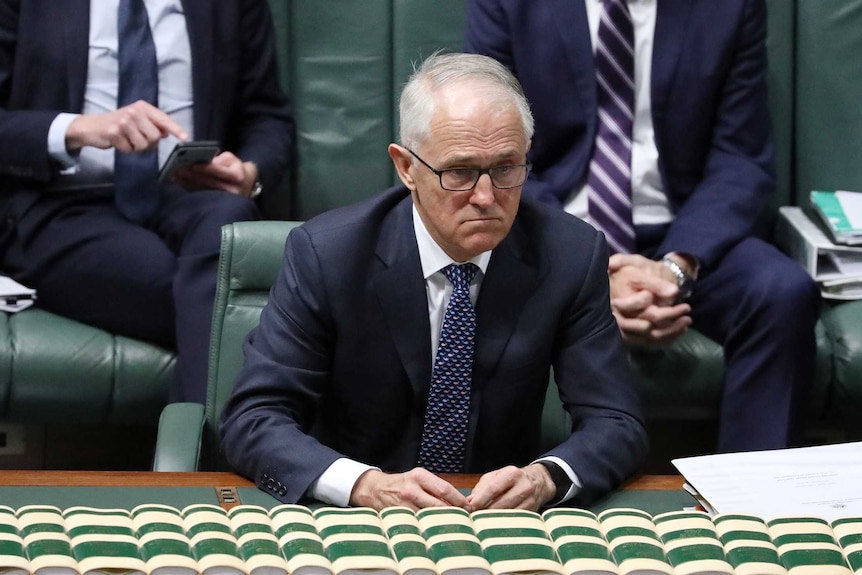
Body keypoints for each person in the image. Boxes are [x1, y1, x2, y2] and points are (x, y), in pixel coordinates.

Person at [220, 51, 648, 512]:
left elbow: (616, 421)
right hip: (356, 521)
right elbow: (254, 419)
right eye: (460, 172)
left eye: (506, 168)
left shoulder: (570, 254)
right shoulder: (329, 255)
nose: (486, 197)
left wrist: (545, 478)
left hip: (499, 524)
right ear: (407, 168)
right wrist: (364, 484)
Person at [464, 0, 821, 452]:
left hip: (683, 231)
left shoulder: (729, 8)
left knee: (781, 292)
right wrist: (597, 269)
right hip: (552, 227)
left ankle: (753, 508)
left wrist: (675, 266)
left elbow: (742, 159)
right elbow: (490, 149)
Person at [0, 0, 294, 403]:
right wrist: (76, 129)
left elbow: (267, 115)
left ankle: (194, 458)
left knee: (230, 222)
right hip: (59, 202)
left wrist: (249, 173)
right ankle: (205, 457)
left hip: (189, 194)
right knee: (219, 298)